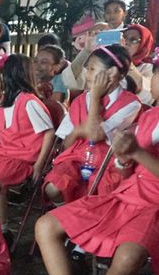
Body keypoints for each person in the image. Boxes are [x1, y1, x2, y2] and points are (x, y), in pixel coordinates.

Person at [35, 75, 159, 275]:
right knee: (46, 225)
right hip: (124, 197)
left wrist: (135, 153)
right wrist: (124, 161)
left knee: (127, 259)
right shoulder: (148, 117)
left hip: (154, 208)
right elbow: (126, 172)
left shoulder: (134, 108)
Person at [0, 54, 55, 239]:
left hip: (22, 158)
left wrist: (39, 166)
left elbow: (49, 133)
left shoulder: (30, 102)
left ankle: (3, 231)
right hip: (2, 154)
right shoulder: (5, 101)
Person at [44, 45, 141, 205]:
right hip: (76, 157)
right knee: (53, 187)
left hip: (107, 163)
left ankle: (81, 220)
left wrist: (95, 96)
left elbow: (95, 134)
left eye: (91, 69)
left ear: (112, 73)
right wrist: (77, 132)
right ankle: (67, 212)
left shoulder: (131, 104)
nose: (86, 73)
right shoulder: (80, 101)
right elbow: (67, 144)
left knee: (99, 195)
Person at [123, 23, 155, 104]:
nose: (126, 42)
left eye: (133, 40)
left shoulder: (149, 68)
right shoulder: (110, 61)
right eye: (124, 37)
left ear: (143, 45)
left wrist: (127, 62)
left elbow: (148, 96)